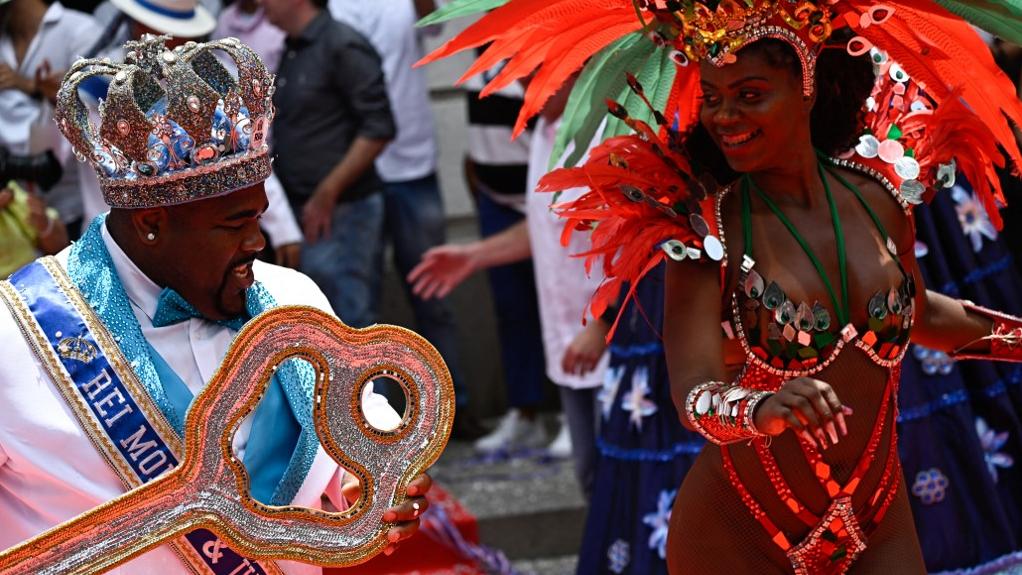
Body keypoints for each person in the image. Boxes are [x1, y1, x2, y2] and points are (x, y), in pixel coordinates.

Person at [422, 0, 1022, 572]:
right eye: (711, 97)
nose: (724, 116)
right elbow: (692, 394)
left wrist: (1014, 338)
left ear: (808, 86)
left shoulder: (882, 196)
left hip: (877, 516)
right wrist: (760, 407)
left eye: (749, 95)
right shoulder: (703, 231)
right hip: (740, 532)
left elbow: (921, 315)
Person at [0, 36, 429, 574]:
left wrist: (372, 485)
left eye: (257, 217)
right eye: (233, 224)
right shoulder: (15, 333)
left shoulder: (292, 298)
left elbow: (367, 446)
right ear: (151, 222)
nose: (257, 242)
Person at [327, 0, 485, 440]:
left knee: (434, 296)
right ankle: (374, 428)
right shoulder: (327, 7)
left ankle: (457, 411)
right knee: (356, 311)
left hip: (413, 165)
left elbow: (437, 26)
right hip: (355, 175)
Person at [84, 0, 304, 269]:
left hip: (207, 235)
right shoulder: (103, 81)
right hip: (118, 234)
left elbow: (244, 154)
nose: (182, 40)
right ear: (142, 26)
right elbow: (97, 171)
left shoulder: (213, 74)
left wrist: (282, 227)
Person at [262, 0, 394, 330]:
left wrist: (327, 191)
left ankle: (368, 386)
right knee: (325, 328)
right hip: (309, 210)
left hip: (344, 212)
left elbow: (379, 129)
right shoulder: (293, 47)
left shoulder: (343, 44)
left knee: (352, 328)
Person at [0, 0, 100, 239]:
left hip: (75, 209)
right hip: (14, 213)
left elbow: (101, 113)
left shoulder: (81, 31)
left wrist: (36, 89)